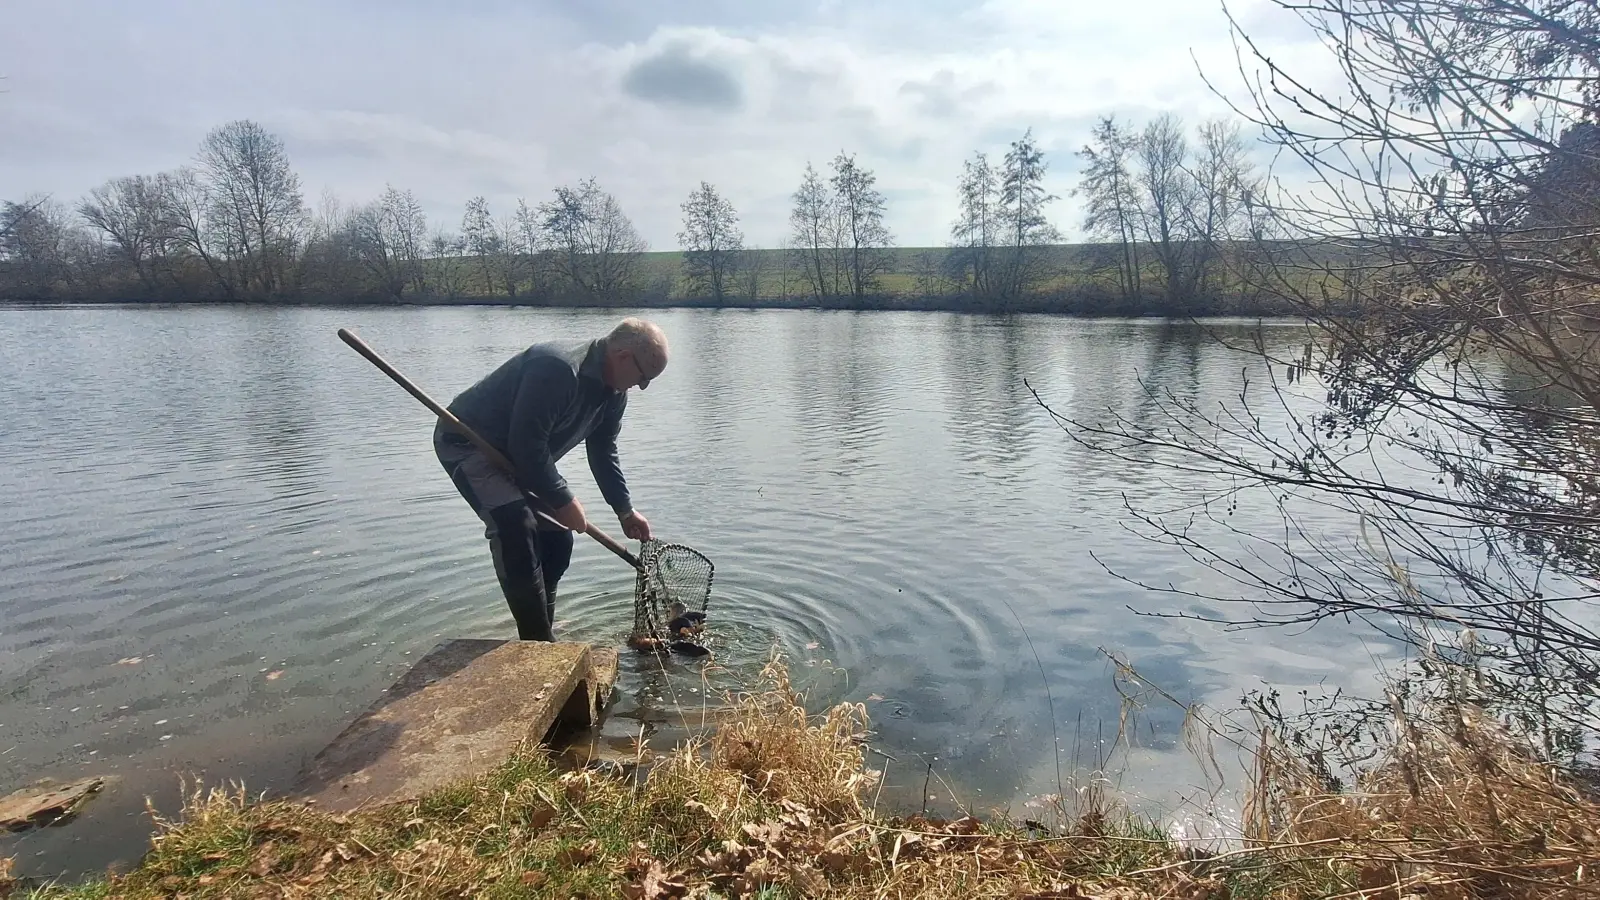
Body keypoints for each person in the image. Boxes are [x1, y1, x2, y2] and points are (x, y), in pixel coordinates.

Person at [433, 317, 669, 641]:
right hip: (470, 444)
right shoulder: (556, 368)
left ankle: (543, 627)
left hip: (521, 460)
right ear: (624, 355)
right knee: (516, 527)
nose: (640, 387)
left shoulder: (614, 393)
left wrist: (624, 510)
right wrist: (562, 498)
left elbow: (602, 450)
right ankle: (538, 644)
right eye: (643, 378)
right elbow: (527, 444)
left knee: (557, 540)